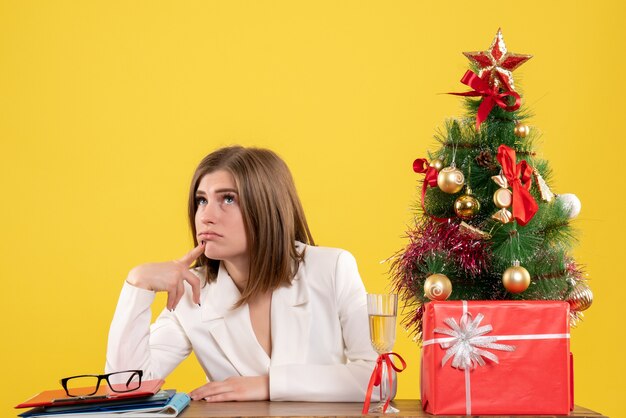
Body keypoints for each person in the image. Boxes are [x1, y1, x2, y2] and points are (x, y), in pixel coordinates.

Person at [105, 145, 380, 402]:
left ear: (266, 207)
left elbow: (380, 378)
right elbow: (125, 390)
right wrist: (137, 284)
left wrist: (269, 385)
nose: (205, 216)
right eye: (201, 200)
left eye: (227, 198)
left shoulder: (332, 268)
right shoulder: (192, 291)